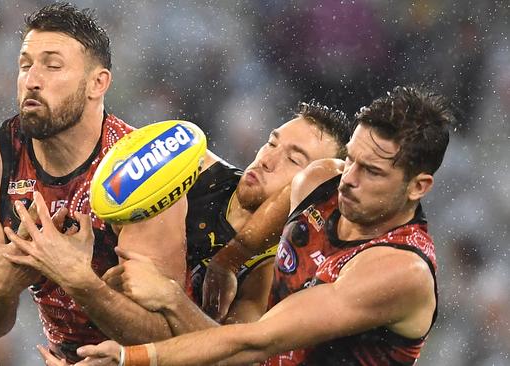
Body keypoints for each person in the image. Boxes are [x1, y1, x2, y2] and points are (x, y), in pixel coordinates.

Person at [68, 86, 453, 366]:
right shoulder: (320, 181)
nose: (349, 178)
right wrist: (227, 262)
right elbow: (251, 240)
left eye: (371, 171)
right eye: (351, 159)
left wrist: (129, 356)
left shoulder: (400, 271)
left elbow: (255, 344)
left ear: (418, 187)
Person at [0, 100, 353, 327]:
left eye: (294, 159)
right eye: (272, 142)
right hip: (68, 338)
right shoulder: (195, 164)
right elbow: (102, 148)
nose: (268, 158)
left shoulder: (270, 274)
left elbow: (227, 355)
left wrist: (137, 351)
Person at [0, 3, 188, 363]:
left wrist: (78, 280)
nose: (32, 79)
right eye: (25, 64)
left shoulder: (142, 170)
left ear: (97, 83)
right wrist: (1, 287)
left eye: (53, 65)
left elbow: (170, 335)